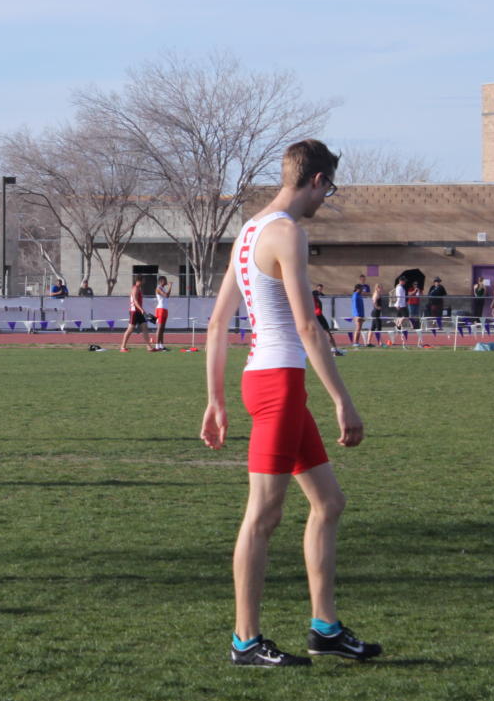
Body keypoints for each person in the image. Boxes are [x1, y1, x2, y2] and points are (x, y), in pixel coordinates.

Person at [201, 139, 380, 668]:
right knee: (264, 514)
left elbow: (216, 324)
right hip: (278, 385)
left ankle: (324, 628)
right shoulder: (288, 233)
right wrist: (343, 402)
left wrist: (216, 399)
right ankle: (245, 640)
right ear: (319, 181)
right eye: (330, 190)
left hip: (269, 382)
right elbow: (307, 326)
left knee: (328, 503)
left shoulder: (249, 230)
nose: (327, 200)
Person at [119, 274, 155, 353]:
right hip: (134, 311)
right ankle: (122, 347)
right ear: (140, 280)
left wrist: (141, 310)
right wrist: (142, 309)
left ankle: (149, 347)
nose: (144, 281)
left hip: (138, 311)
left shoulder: (139, 288)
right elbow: (135, 301)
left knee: (145, 327)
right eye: (144, 280)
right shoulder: (135, 288)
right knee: (130, 329)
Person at [154, 275, 172, 350]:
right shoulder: (158, 288)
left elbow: (168, 295)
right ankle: (157, 345)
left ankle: (161, 345)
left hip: (165, 309)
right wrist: (170, 286)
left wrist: (169, 287)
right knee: (159, 327)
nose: (166, 282)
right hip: (160, 309)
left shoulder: (163, 288)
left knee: (163, 328)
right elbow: (166, 295)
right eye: (165, 280)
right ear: (161, 281)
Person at [348, 277, 369, 347]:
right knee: (358, 328)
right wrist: (357, 316)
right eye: (361, 289)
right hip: (357, 315)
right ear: (358, 289)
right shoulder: (355, 295)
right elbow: (355, 306)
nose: (362, 290)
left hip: (360, 314)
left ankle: (356, 342)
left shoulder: (359, 295)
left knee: (358, 329)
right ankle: (355, 343)